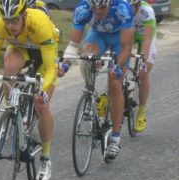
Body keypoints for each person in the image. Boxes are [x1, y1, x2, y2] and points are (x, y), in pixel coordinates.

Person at [0, 0, 61, 180]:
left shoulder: (40, 23)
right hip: (22, 49)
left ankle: (46, 158)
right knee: (9, 68)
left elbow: (51, 69)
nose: (10, 26)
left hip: (44, 56)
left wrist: (43, 92)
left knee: (42, 106)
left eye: (14, 21)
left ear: (24, 16)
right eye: (6, 20)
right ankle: (11, 110)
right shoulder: (1, 25)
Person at [61, 0, 134, 159]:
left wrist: (117, 67)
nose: (98, 11)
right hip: (98, 36)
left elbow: (127, 47)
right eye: (95, 8)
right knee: (87, 58)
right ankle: (91, 97)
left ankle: (115, 137)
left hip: (119, 40)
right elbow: (73, 45)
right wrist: (65, 65)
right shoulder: (83, 9)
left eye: (102, 7)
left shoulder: (122, 9)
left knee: (114, 82)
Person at [127, 0, 157, 132]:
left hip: (146, 38)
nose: (128, 9)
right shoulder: (122, 9)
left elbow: (147, 39)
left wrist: (143, 60)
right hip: (131, 35)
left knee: (144, 73)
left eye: (131, 7)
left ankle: (141, 112)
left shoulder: (147, 11)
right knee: (117, 64)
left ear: (137, 5)